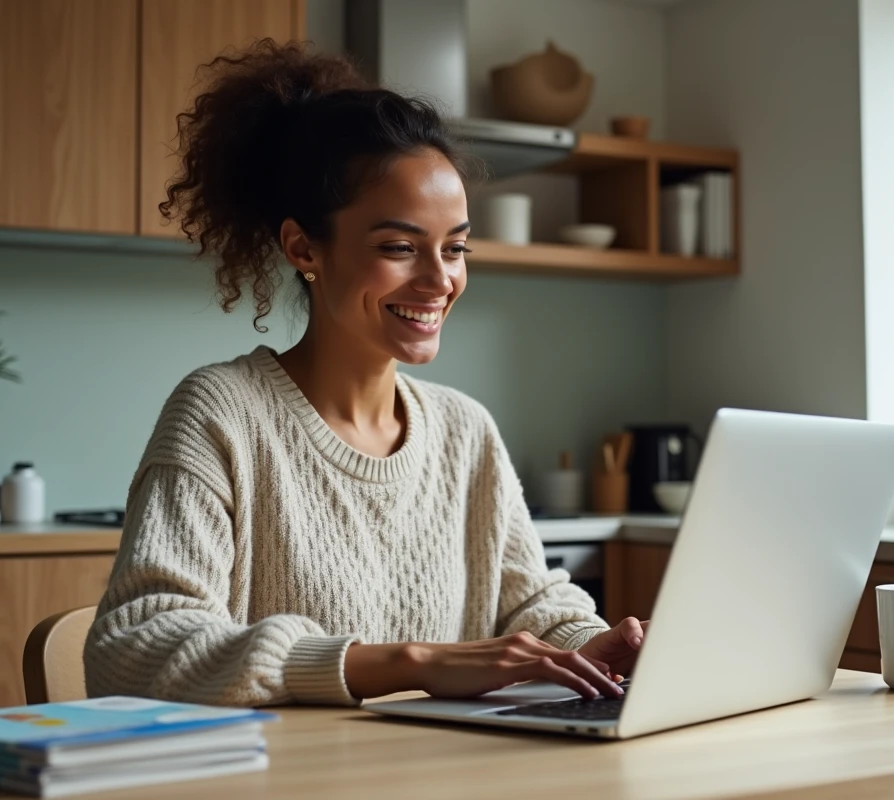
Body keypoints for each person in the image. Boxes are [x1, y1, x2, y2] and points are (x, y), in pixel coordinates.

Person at [83, 41, 648, 708]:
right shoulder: (221, 413)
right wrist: (410, 662)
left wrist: (598, 645)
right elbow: (131, 648)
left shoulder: (465, 430)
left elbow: (532, 606)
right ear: (303, 248)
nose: (440, 279)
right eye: (400, 247)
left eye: (455, 248)